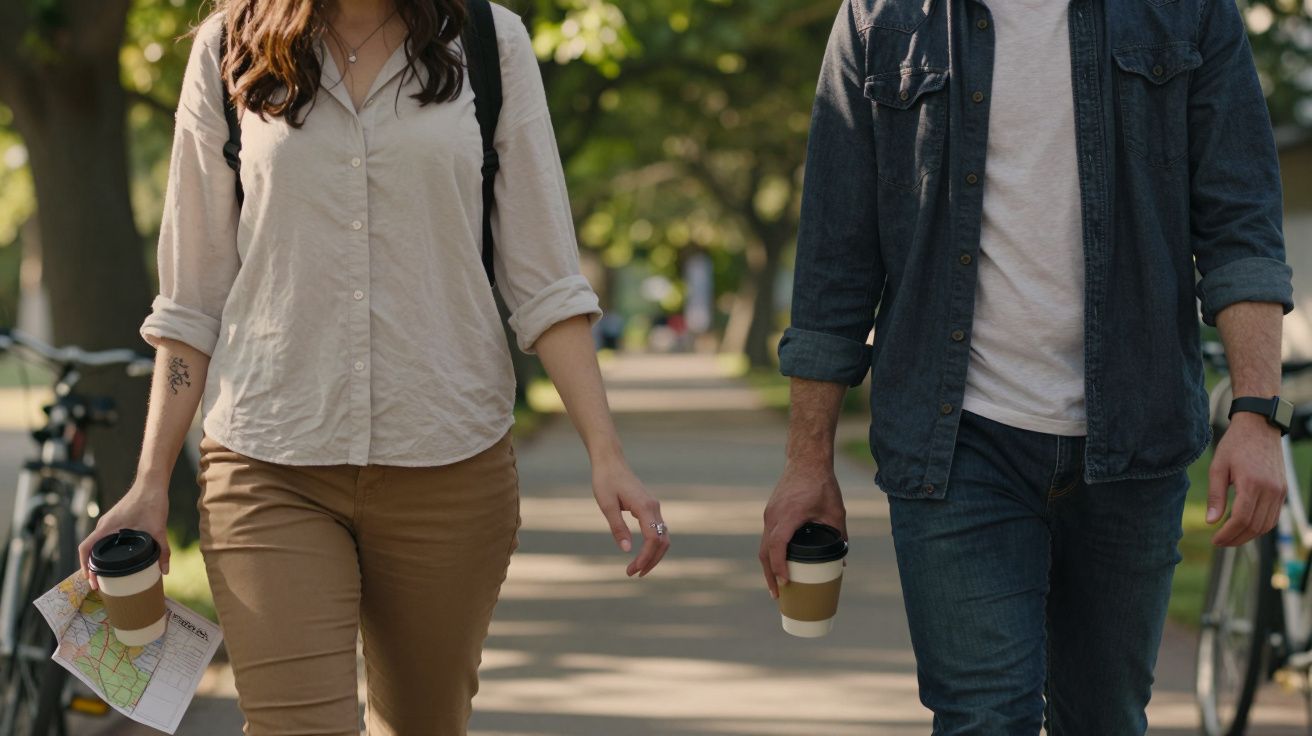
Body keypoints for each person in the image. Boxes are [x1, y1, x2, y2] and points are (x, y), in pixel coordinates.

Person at [78, 0, 670, 733]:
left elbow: (545, 278)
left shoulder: (488, 41)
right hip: (269, 458)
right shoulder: (229, 48)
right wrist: (147, 484)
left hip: (450, 460)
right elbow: (191, 301)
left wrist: (606, 455)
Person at [761, 0, 1292, 732]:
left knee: (1103, 719)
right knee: (983, 718)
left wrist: (1259, 414)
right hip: (954, 446)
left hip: (1133, 440)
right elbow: (834, 261)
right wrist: (805, 463)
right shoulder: (879, 17)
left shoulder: (1187, 8)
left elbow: (1241, 221)